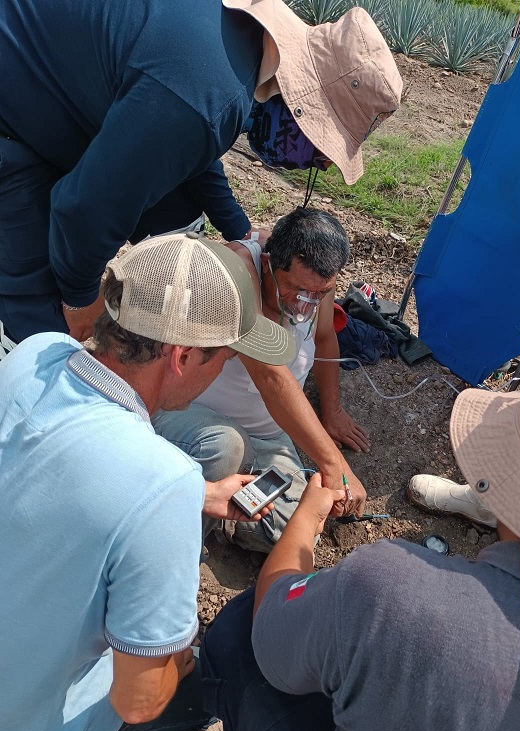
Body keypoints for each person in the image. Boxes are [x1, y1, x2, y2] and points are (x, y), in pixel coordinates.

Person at [200, 344, 520, 731]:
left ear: (511, 471)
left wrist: (308, 517)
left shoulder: (394, 591)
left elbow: (271, 627)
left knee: (238, 631)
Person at [0, 231, 295, 731]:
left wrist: (201, 496)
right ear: (182, 357)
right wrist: (175, 654)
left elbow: (67, 476)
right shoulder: (162, 482)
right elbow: (139, 702)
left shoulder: (37, 353)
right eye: (227, 357)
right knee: (196, 674)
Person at [0, 0, 403, 348]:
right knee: (43, 326)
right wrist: (78, 300)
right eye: (318, 149)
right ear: (300, 103)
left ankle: (149, 311)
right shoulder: (204, 98)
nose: (313, 162)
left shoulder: (243, 54)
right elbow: (83, 211)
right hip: (13, 107)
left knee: (177, 209)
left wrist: (239, 230)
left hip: (56, 86)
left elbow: (190, 149)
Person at [153, 208, 370, 550]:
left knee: (299, 530)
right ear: (268, 264)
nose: (305, 305)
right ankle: (176, 543)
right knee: (224, 446)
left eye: (320, 293)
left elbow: (326, 338)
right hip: (192, 417)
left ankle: (226, 504)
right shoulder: (236, 268)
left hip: (268, 435)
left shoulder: (315, 281)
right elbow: (269, 375)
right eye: (296, 290)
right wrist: (334, 464)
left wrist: (332, 411)